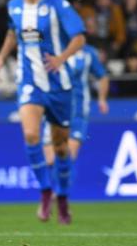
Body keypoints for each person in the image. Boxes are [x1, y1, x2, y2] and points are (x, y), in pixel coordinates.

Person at [0, 0, 86, 225]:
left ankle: (64, 197)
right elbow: (12, 33)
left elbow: (79, 37)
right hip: (29, 82)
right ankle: (46, 191)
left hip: (59, 85)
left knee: (60, 146)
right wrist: (0, 58)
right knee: (31, 134)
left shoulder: (58, 5)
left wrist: (61, 58)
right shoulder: (14, 6)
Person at [40, 45, 108, 221]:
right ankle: (54, 195)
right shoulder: (52, 46)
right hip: (54, 109)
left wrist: (101, 99)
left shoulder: (88, 53)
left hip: (78, 112)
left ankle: (59, 198)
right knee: (49, 159)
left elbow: (103, 76)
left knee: (66, 157)